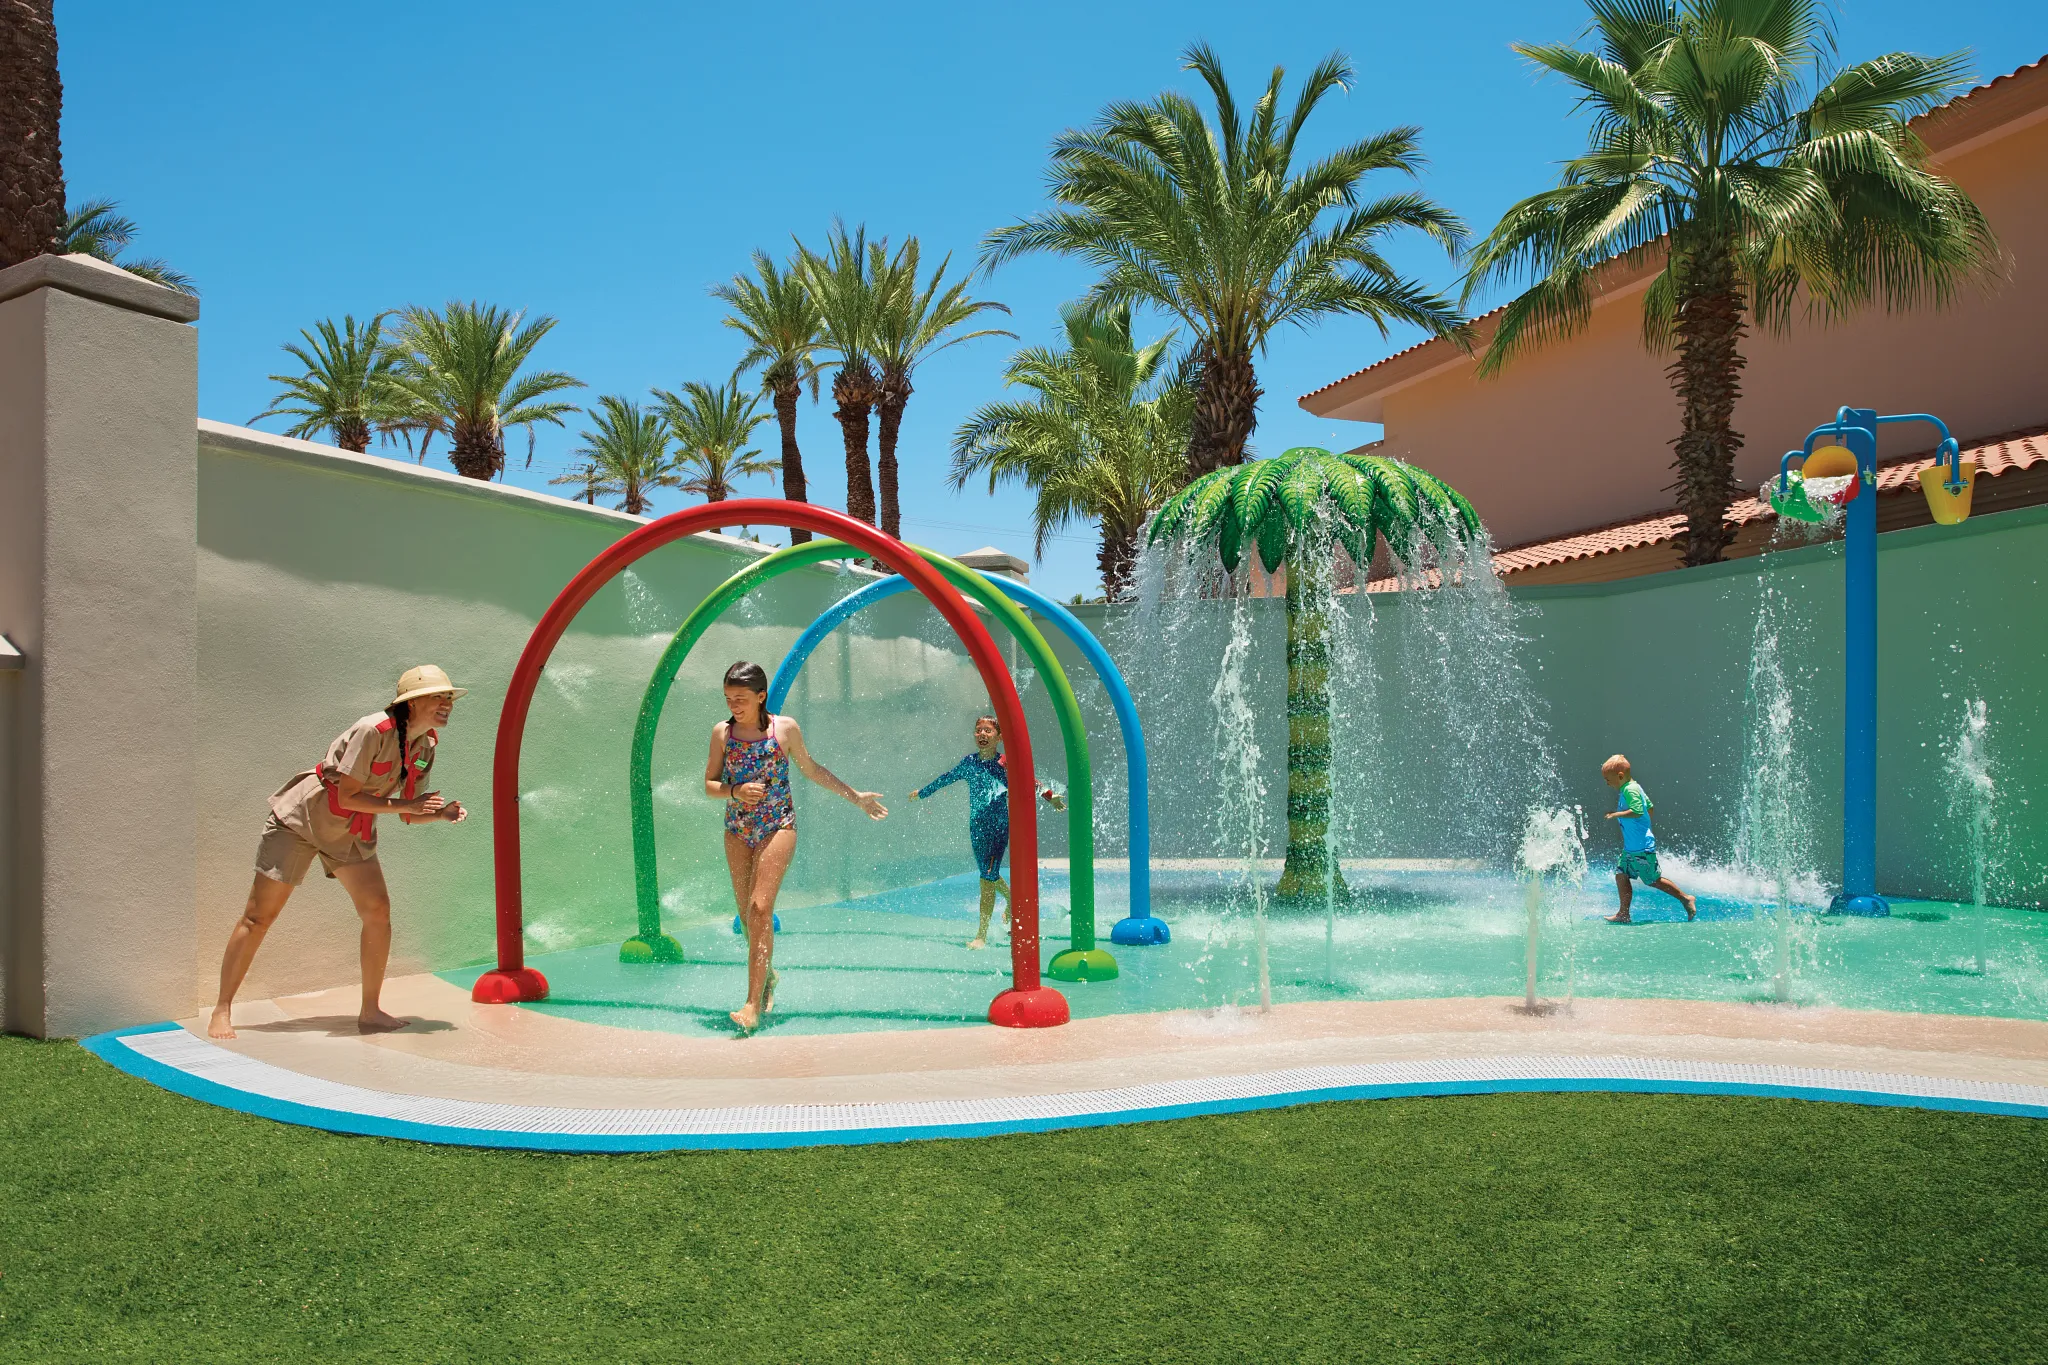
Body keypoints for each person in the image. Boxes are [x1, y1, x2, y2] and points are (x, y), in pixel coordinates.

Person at [209, 666, 469, 1040]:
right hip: (300, 821)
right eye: (438, 697)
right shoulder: (372, 729)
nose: (447, 705)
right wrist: (408, 804)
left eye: (449, 699)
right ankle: (222, 1009)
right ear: (411, 704)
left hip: (351, 831)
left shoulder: (425, 746)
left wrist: (439, 814)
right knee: (258, 916)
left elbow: (409, 815)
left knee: (378, 911)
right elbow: (349, 795)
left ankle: (371, 1011)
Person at [708, 660, 887, 1035]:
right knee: (746, 917)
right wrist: (735, 791)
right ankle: (768, 974)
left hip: (779, 826)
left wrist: (855, 797)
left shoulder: (784, 729)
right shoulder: (722, 734)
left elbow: (811, 769)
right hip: (737, 829)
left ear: (761, 696)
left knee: (760, 908)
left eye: (740, 698)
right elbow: (709, 783)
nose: (733, 706)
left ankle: (751, 1005)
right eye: (728, 698)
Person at [909, 715, 1065, 949]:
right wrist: (923, 792)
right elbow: (946, 778)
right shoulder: (969, 763)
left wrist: (1050, 798)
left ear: (999, 737)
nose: (982, 734)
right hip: (977, 826)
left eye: (988, 731)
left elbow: (1029, 782)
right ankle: (1011, 898)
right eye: (978, 730)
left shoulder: (1005, 763)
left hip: (998, 827)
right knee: (987, 872)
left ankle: (981, 936)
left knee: (986, 879)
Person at [1601, 753, 1696, 924]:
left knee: (1653, 880)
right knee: (1621, 875)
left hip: (1641, 847)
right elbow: (1649, 808)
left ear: (1620, 776)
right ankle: (1623, 913)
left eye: (1608, 779)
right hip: (1632, 846)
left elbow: (1638, 811)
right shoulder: (1633, 787)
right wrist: (1641, 827)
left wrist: (1616, 815)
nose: (1607, 783)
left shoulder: (1630, 790)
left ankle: (1685, 898)